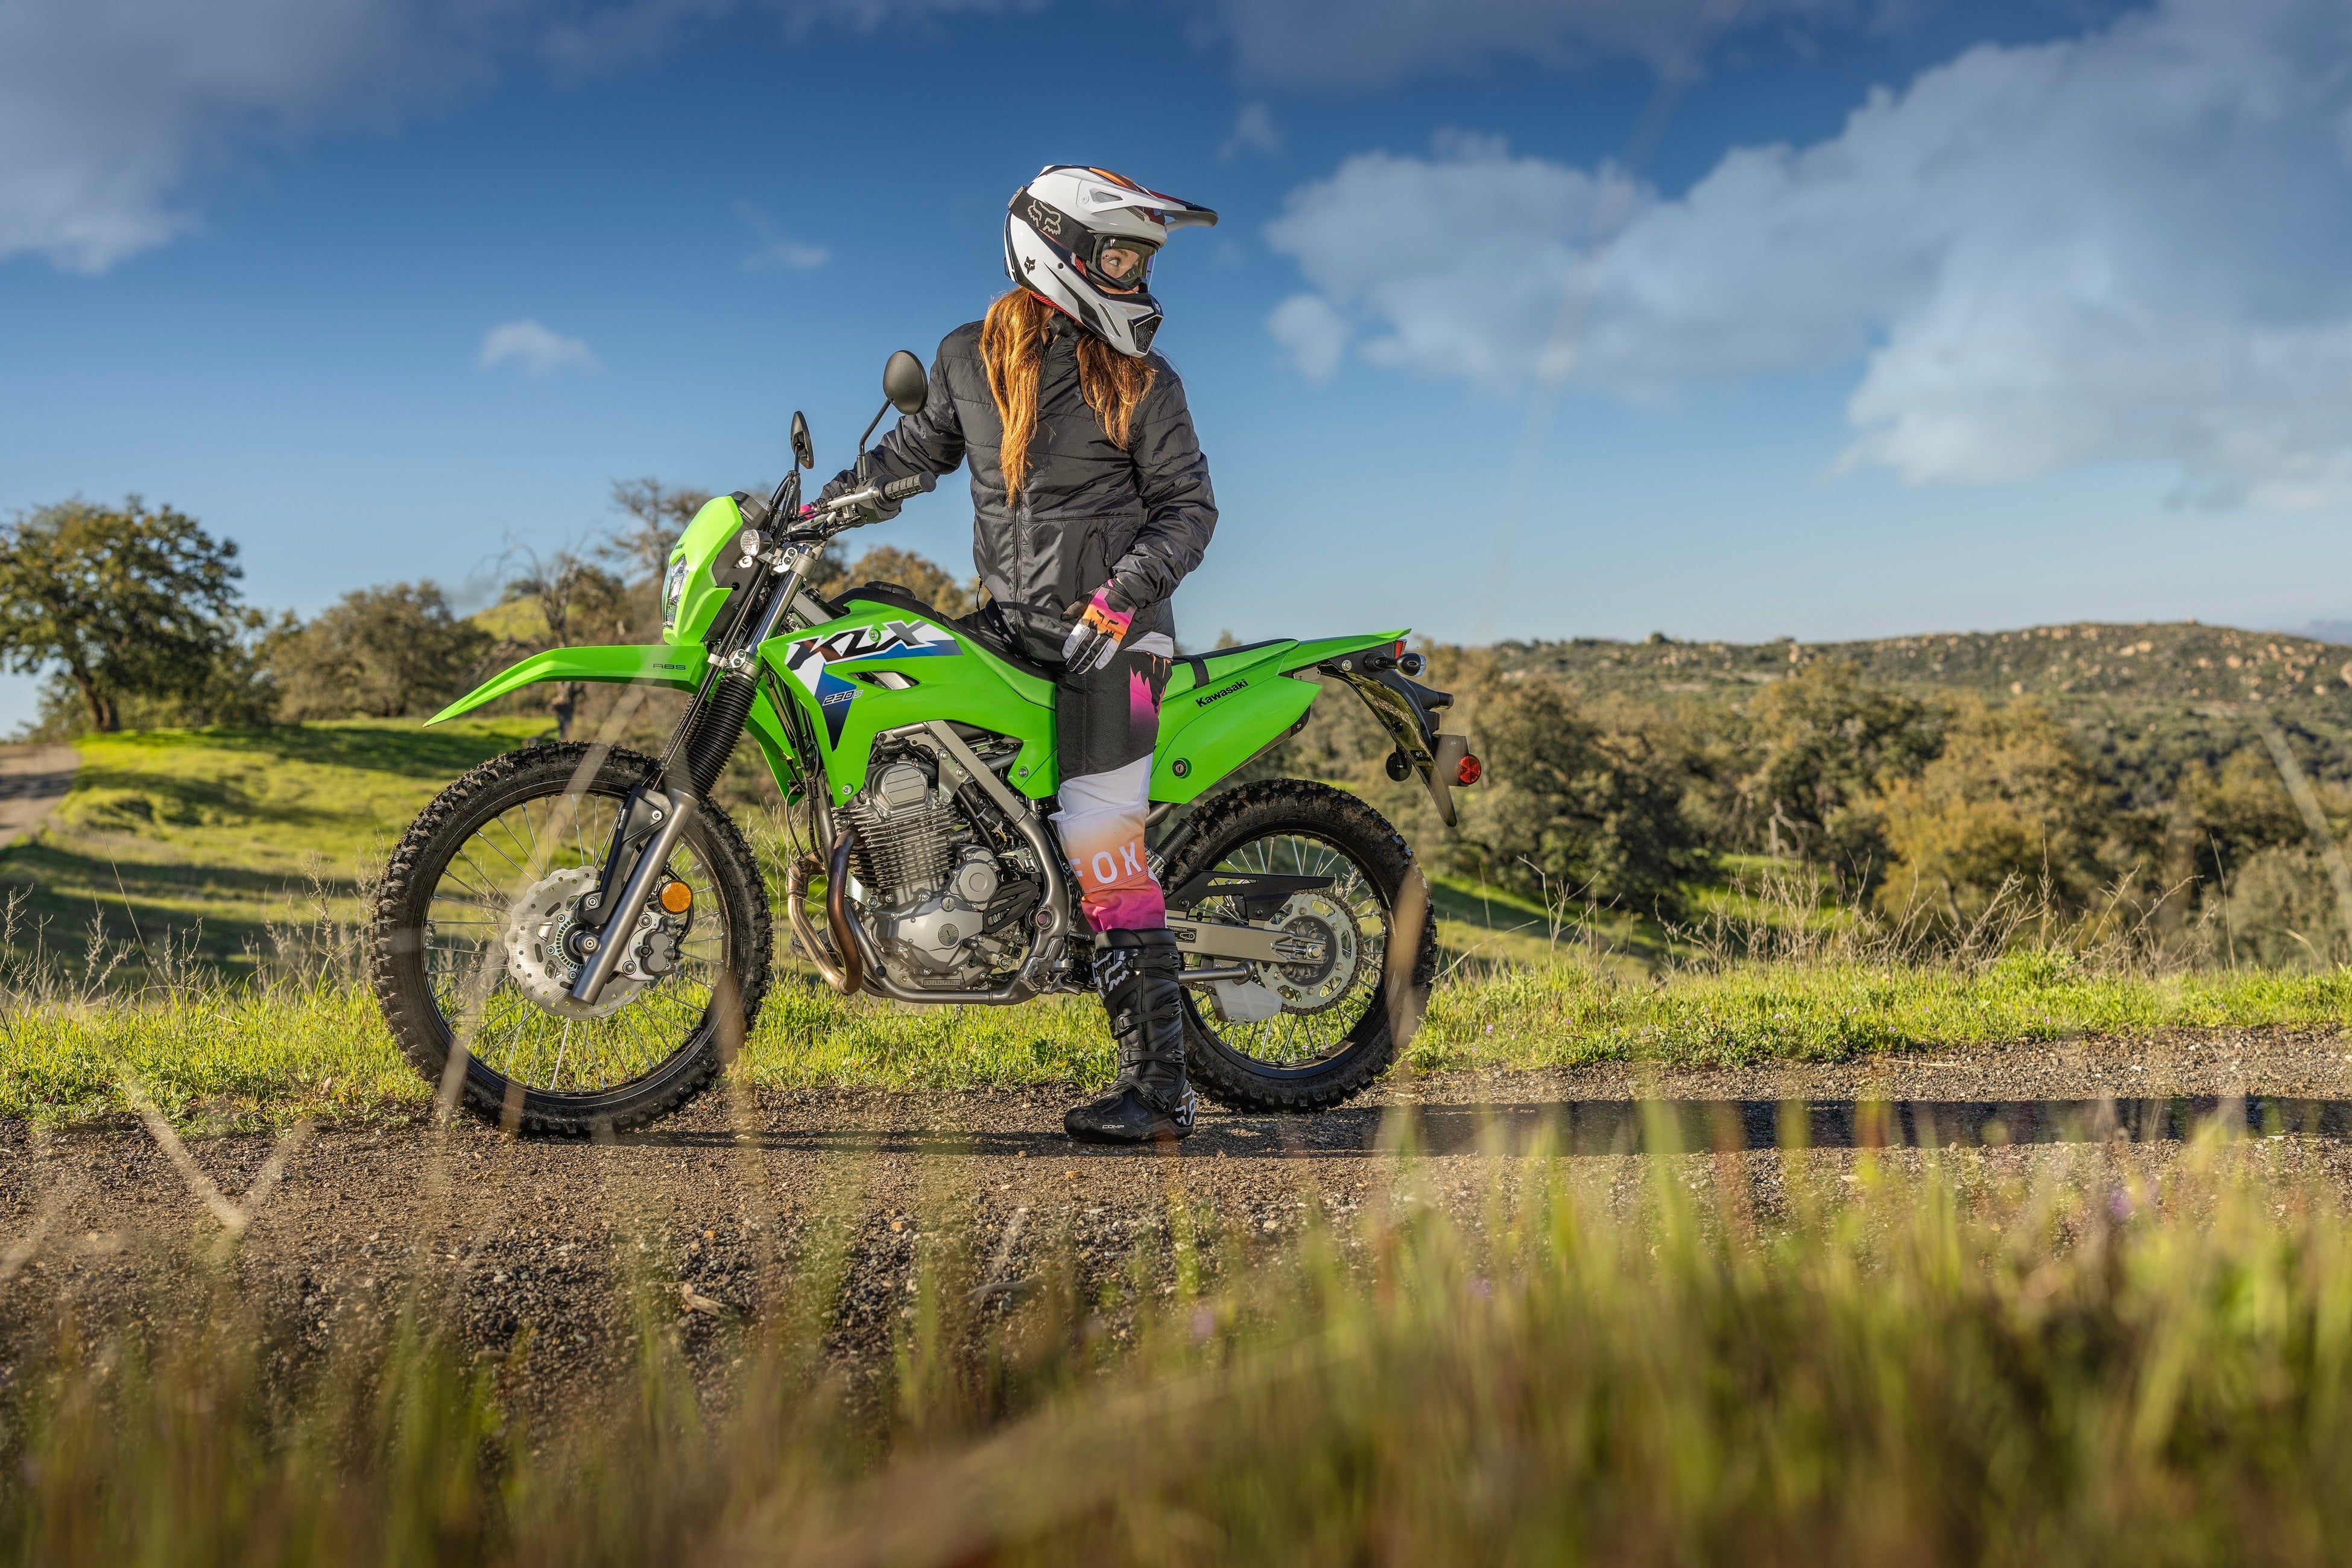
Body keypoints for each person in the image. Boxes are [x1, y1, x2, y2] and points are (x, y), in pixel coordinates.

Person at [815, 165, 1219, 1146]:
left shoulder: (1145, 380)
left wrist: (1121, 596)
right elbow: (912, 456)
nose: (1134, 277)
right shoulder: (971, 357)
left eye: (1139, 261)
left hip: (1120, 636)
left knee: (1102, 839)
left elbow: (1188, 510)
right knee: (901, 705)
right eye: (1119, 257)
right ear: (1059, 250)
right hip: (1013, 620)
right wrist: (815, 512)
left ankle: (1160, 1091)